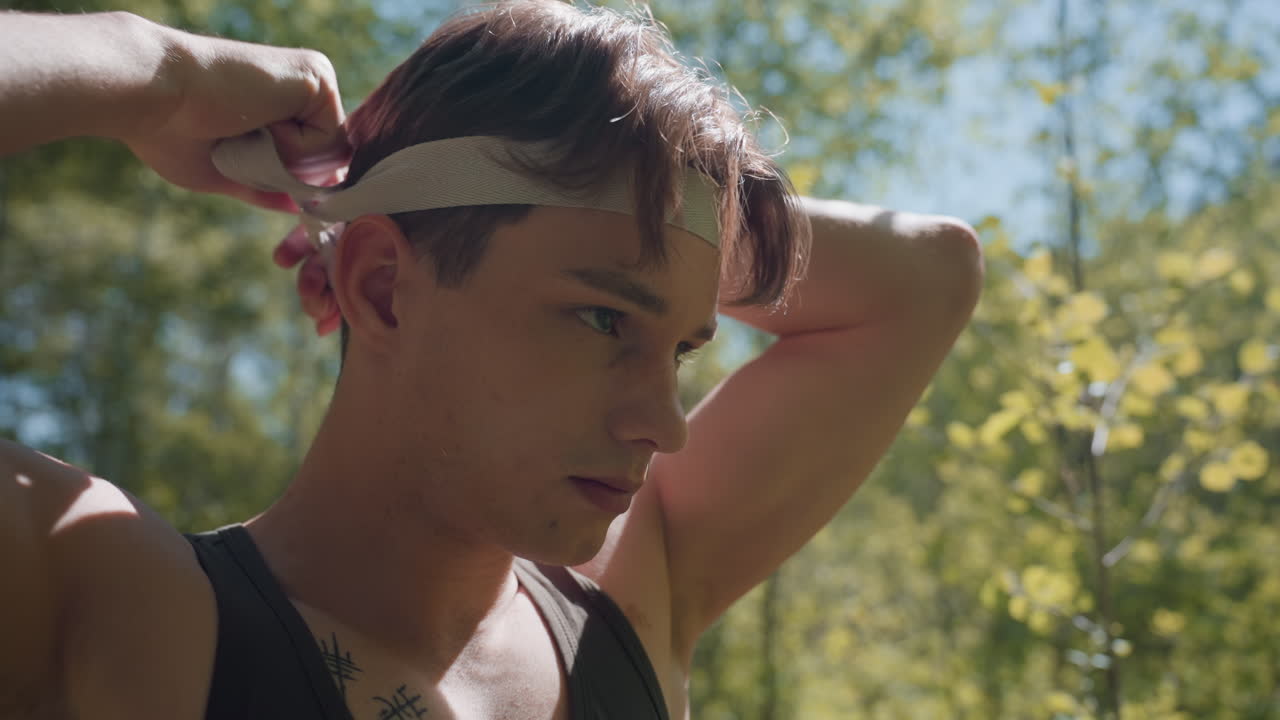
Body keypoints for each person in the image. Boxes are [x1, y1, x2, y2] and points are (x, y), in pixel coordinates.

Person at [0, 2, 984, 719]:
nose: (666, 420)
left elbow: (931, 274)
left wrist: (651, 223)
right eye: (603, 322)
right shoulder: (122, 604)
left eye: (680, 346)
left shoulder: (621, 617)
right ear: (383, 287)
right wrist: (154, 67)